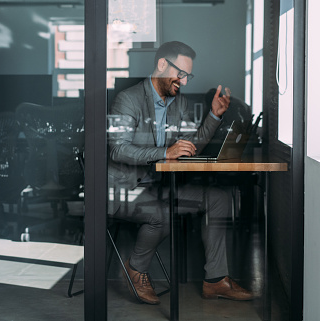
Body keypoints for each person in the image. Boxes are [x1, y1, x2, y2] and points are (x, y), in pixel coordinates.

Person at [108, 41, 253, 305]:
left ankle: (215, 280)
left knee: (219, 198)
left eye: (188, 76)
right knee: (161, 215)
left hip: (159, 189)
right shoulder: (127, 100)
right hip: (123, 191)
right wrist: (165, 152)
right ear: (162, 64)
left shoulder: (180, 103)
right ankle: (136, 268)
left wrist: (214, 115)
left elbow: (189, 147)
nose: (184, 82)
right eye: (181, 74)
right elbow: (118, 150)